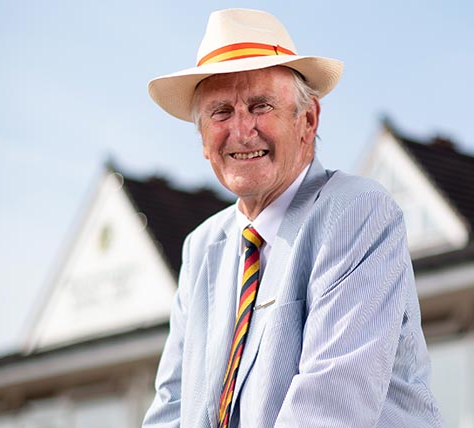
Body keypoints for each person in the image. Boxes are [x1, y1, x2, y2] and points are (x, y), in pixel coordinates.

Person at [142, 8, 443, 428]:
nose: (242, 130)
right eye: (220, 112)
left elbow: (330, 410)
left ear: (308, 120)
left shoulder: (356, 213)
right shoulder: (201, 247)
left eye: (260, 105)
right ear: (202, 137)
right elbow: (171, 411)